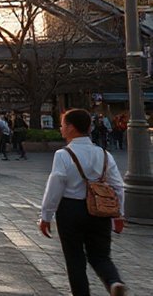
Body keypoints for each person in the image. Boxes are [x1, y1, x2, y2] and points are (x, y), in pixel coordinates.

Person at [39, 109, 127, 296]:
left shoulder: (63, 154)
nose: (61, 128)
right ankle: (114, 282)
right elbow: (118, 186)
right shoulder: (104, 154)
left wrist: (46, 216)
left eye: (63, 124)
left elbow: (55, 186)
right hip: (100, 211)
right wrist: (119, 214)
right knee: (101, 255)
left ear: (71, 127)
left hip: (71, 210)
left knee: (75, 259)